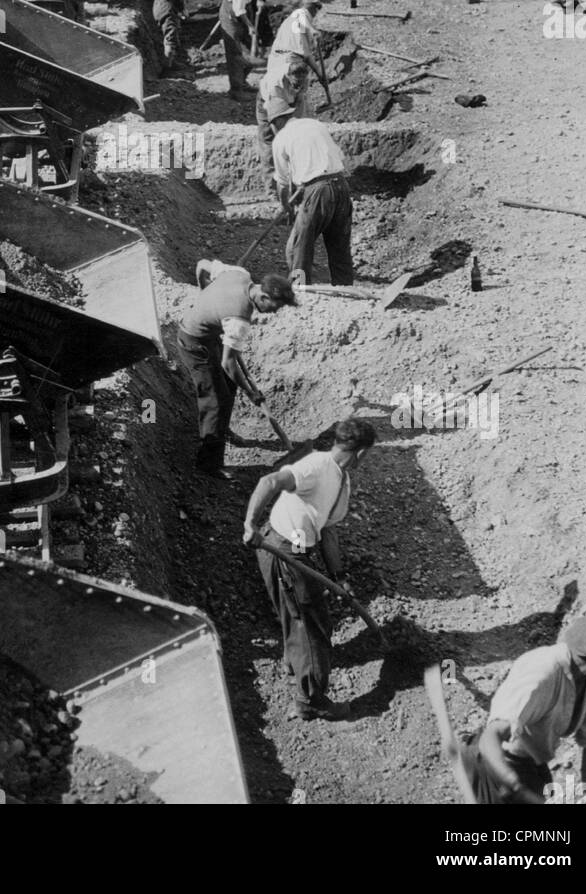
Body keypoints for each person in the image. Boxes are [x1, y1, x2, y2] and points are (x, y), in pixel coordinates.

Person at [243, 417, 377, 719]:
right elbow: (270, 481)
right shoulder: (316, 466)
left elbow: (328, 531)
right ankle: (311, 700)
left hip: (295, 549)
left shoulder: (342, 479)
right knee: (312, 626)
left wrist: (339, 577)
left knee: (301, 616)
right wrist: (249, 524)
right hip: (281, 549)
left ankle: (295, 662)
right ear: (361, 453)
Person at [460, 603, 586, 804]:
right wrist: (513, 784)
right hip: (496, 765)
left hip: (531, 767)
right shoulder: (543, 671)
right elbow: (490, 737)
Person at [177, 262, 297, 477]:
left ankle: (222, 432)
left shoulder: (239, 274)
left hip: (207, 335)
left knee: (228, 385)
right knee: (215, 400)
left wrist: (204, 294)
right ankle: (208, 464)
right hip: (193, 342)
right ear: (264, 297)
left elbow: (202, 265)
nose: (273, 313)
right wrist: (251, 393)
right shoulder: (239, 320)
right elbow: (228, 363)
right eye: (275, 307)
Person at [272, 114, 353, 284]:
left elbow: (282, 183)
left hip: (318, 191)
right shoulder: (315, 124)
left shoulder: (280, 138)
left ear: (275, 123)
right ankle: (346, 287)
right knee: (340, 246)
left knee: (299, 247)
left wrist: (286, 206)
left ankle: (299, 289)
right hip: (341, 186)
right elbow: (339, 156)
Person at [256, 58, 311, 190]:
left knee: (299, 136)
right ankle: (272, 188)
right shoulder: (276, 86)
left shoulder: (304, 76)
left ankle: (299, 179)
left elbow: (300, 100)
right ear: (288, 76)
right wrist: (286, 146)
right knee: (271, 141)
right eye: (296, 83)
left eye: (301, 82)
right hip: (267, 102)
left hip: (290, 98)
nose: (299, 85)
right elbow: (276, 123)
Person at [265, 0, 328, 103]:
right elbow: (307, 56)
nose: (316, 13)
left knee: (280, 99)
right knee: (296, 96)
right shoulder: (302, 17)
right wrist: (320, 74)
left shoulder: (290, 20)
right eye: (317, 9)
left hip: (274, 63)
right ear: (313, 8)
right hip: (288, 64)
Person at [220, 0, 263, 99]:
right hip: (231, 15)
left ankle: (242, 81)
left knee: (253, 50)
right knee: (235, 53)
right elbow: (238, 9)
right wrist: (250, 26)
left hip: (242, 12)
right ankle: (236, 90)